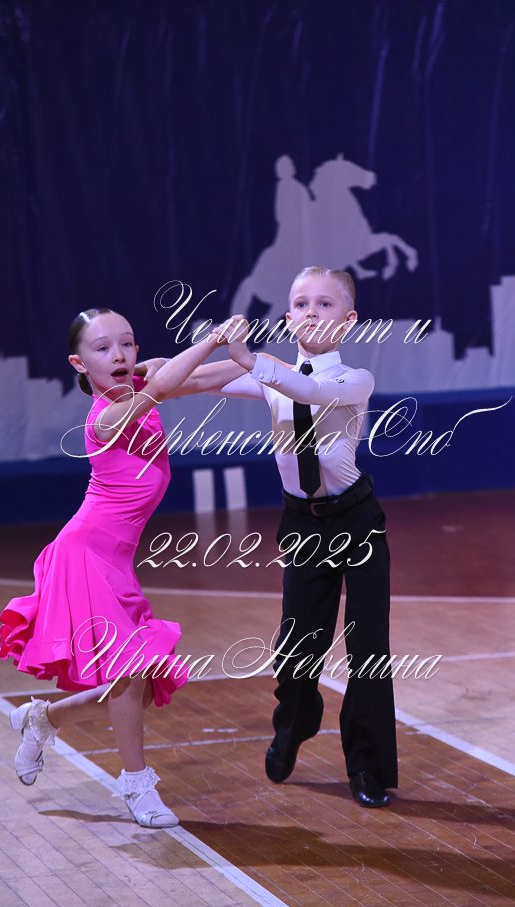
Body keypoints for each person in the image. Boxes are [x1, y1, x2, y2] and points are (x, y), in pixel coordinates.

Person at [0, 308, 236, 828]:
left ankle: (43, 718)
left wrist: (278, 370)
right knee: (131, 674)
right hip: (84, 557)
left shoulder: (143, 385)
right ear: (79, 364)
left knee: (138, 687)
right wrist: (215, 338)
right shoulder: (105, 417)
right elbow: (169, 382)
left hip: (115, 562)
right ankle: (136, 785)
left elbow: (203, 379)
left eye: (126, 343)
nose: (120, 354)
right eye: (103, 348)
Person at [220, 266, 398, 807]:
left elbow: (309, 388)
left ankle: (366, 766)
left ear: (348, 320)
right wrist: (144, 373)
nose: (311, 313)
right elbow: (198, 379)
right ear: (288, 316)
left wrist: (249, 358)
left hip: (357, 520)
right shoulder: (270, 374)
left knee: (369, 646)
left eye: (325, 304)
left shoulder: (353, 379)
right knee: (297, 644)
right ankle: (294, 724)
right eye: (301, 304)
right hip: (302, 525)